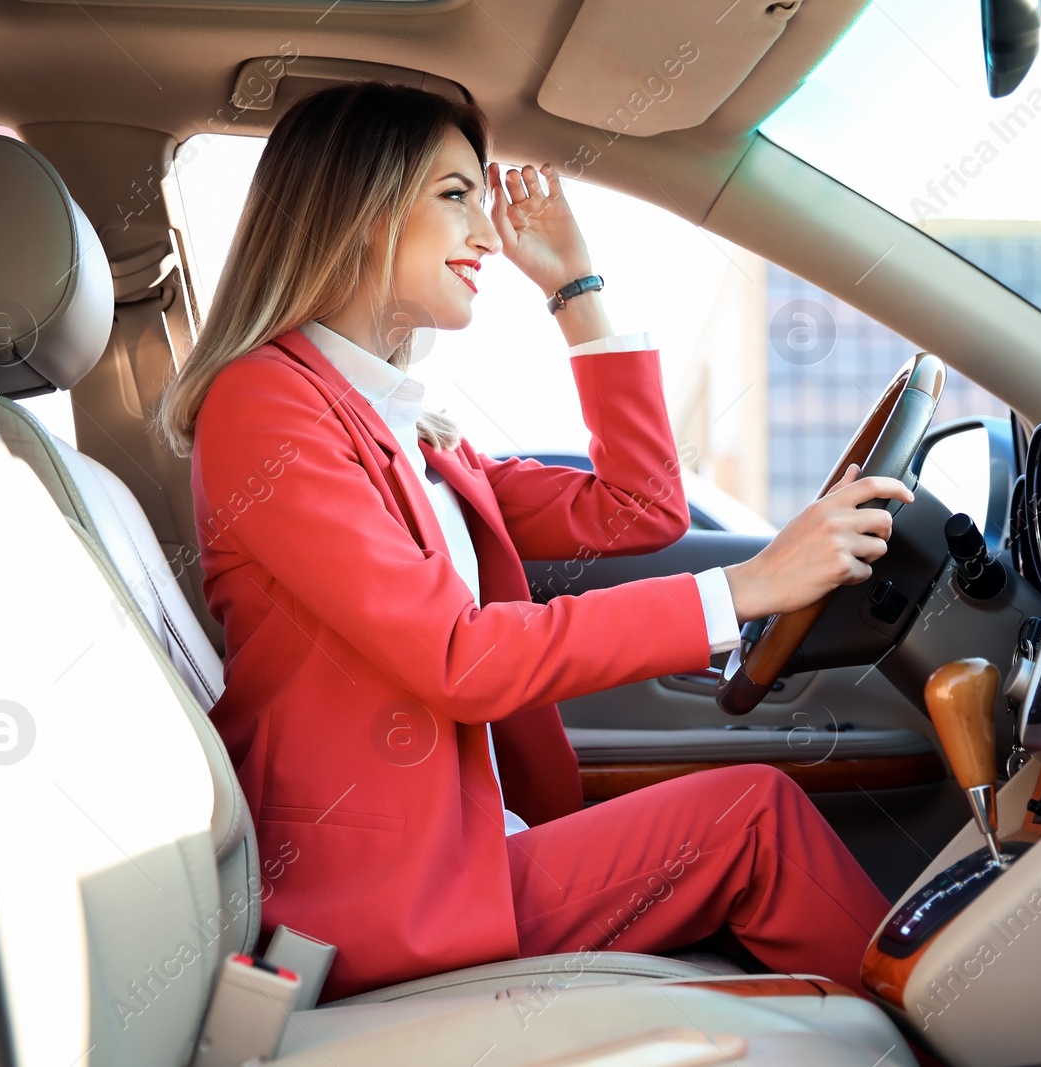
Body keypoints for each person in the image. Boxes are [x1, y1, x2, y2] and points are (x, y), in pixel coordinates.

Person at [157, 81, 915, 1004]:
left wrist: (573, 287)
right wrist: (749, 586)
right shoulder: (266, 404)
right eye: (454, 195)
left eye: (482, 195)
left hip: (472, 843)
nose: (486, 231)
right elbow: (457, 656)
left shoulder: (403, 427)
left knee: (751, 813)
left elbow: (640, 507)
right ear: (358, 204)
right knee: (754, 818)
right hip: (378, 896)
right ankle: (955, 1028)